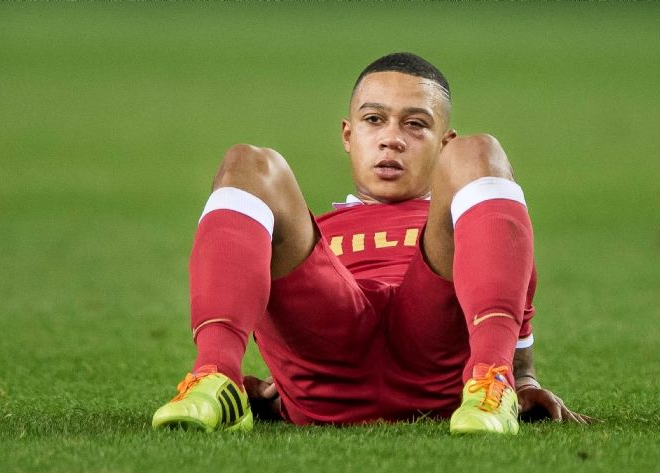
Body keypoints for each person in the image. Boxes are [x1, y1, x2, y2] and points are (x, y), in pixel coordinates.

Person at [151, 52, 594, 435]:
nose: (391, 139)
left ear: (444, 143)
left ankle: (492, 380)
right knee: (246, 162)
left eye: (415, 125)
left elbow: (516, 270)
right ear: (348, 134)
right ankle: (216, 375)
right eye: (373, 119)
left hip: (434, 353)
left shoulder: (470, 215)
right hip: (327, 362)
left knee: (483, 151)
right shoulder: (307, 230)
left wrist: (525, 377)